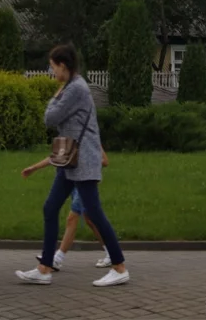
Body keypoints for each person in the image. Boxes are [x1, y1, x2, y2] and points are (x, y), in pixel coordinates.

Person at [15, 43, 129, 287]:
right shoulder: (71, 86)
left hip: (83, 160)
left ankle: (119, 267)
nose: (51, 71)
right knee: (50, 207)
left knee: (94, 213)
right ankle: (44, 268)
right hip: (70, 161)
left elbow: (50, 118)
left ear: (63, 66)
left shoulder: (75, 88)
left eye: (53, 66)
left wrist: (55, 96)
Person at [23, 149, 112, 271]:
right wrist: (34, 168)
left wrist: (81, 162)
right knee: (90, 220)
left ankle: (58, 258)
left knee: (72, 218)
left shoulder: (90, 137)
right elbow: (55, 157)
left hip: (84, 181)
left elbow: (105, 161)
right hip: (70, 183)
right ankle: (111, 253)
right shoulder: (70, 138)